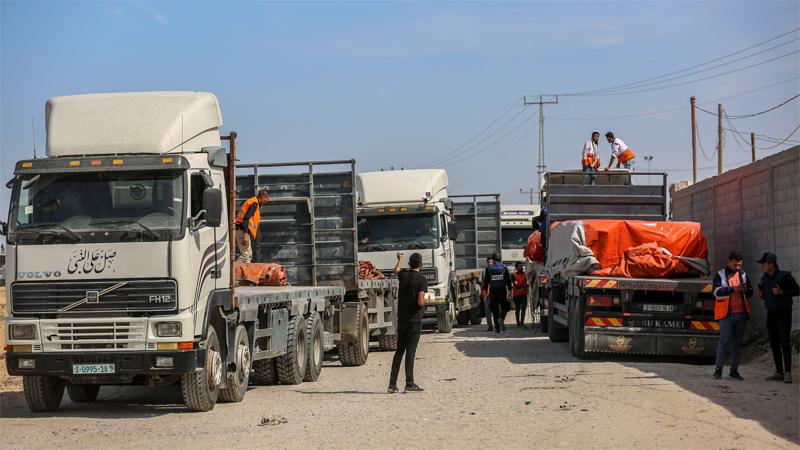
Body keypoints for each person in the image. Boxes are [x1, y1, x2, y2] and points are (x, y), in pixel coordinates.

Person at [757, 252, 799, 384]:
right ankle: (779, 372)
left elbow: (797, 290)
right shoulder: (764, 279)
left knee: (784, 343)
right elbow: (767, 295)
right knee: (773, 343)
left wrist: (782, 292)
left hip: (784, 314)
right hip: (771, 314)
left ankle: (788, 373)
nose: (762, 266)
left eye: (764, 264)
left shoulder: (785, 277)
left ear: (771, 264)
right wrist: (762, 295)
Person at [388, 252, 427, 393]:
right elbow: (420, 301)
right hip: (414, 320)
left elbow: (396, 270)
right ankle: (409, 383)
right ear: (421, 264)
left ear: (410, 264)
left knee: (399, 351)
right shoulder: (422, 279)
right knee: (410, 352)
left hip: (402, 320)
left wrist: (400, 259)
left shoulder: (403, 275)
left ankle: (392, 384)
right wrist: (428, 301)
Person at [712, 251, 753, 381]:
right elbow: (715, 291)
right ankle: (718, 370)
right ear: (729, 262)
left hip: (741, 314)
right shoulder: (720, 275)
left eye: (739, 265)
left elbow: (751, 292)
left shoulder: (743, 275)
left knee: (737, 344)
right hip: (726, 315)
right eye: (735, 265)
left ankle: (734, 371)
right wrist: (731, 289)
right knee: (724, 341)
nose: (737, 267)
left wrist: (746, 290)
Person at [234, 189, 270, 263]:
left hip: (242, 230)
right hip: (242, 231)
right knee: (246, 255)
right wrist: (246, 233)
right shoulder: (254, 204)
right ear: (262, 197)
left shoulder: (254, 203)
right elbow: (246, 218)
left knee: (248, 255)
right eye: (266, 199)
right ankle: (233, 269)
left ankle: (241, 270)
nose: (266, 201)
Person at [482, 253, 512, 333]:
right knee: (506, 307)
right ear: (500, 259)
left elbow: (486, 281)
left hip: (493, 291)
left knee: (495, 310)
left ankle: (497, 329)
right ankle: (501, 318)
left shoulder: (489, 268)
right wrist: (510, 290)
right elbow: (508, 280)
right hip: (502, 290)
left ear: (493, 260)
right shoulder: (504, 267)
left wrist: (484, 290)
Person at [512, 262, 530, 328]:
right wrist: (524, 285)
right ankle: (518, 323)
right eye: (519, 266)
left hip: (524, 295)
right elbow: (516, 286)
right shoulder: (513, 275)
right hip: (516, 295)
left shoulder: (525, 274)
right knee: (517, 309)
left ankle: (522, 322)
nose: (521, 267)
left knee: (523, 309)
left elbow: (528, 283)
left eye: (522, 266)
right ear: (516, 268)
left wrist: (524, 285)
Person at [482, 256, 495, 332]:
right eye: (488, 262)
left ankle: (497, 324)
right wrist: (483, 293)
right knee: (487, 310)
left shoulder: (497, 270)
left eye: (491, 262)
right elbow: (483, 282)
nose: (490, 264)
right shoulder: (485, 271)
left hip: (495, 293)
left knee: (496, 309)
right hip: (487, 293)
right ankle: (490, 326)